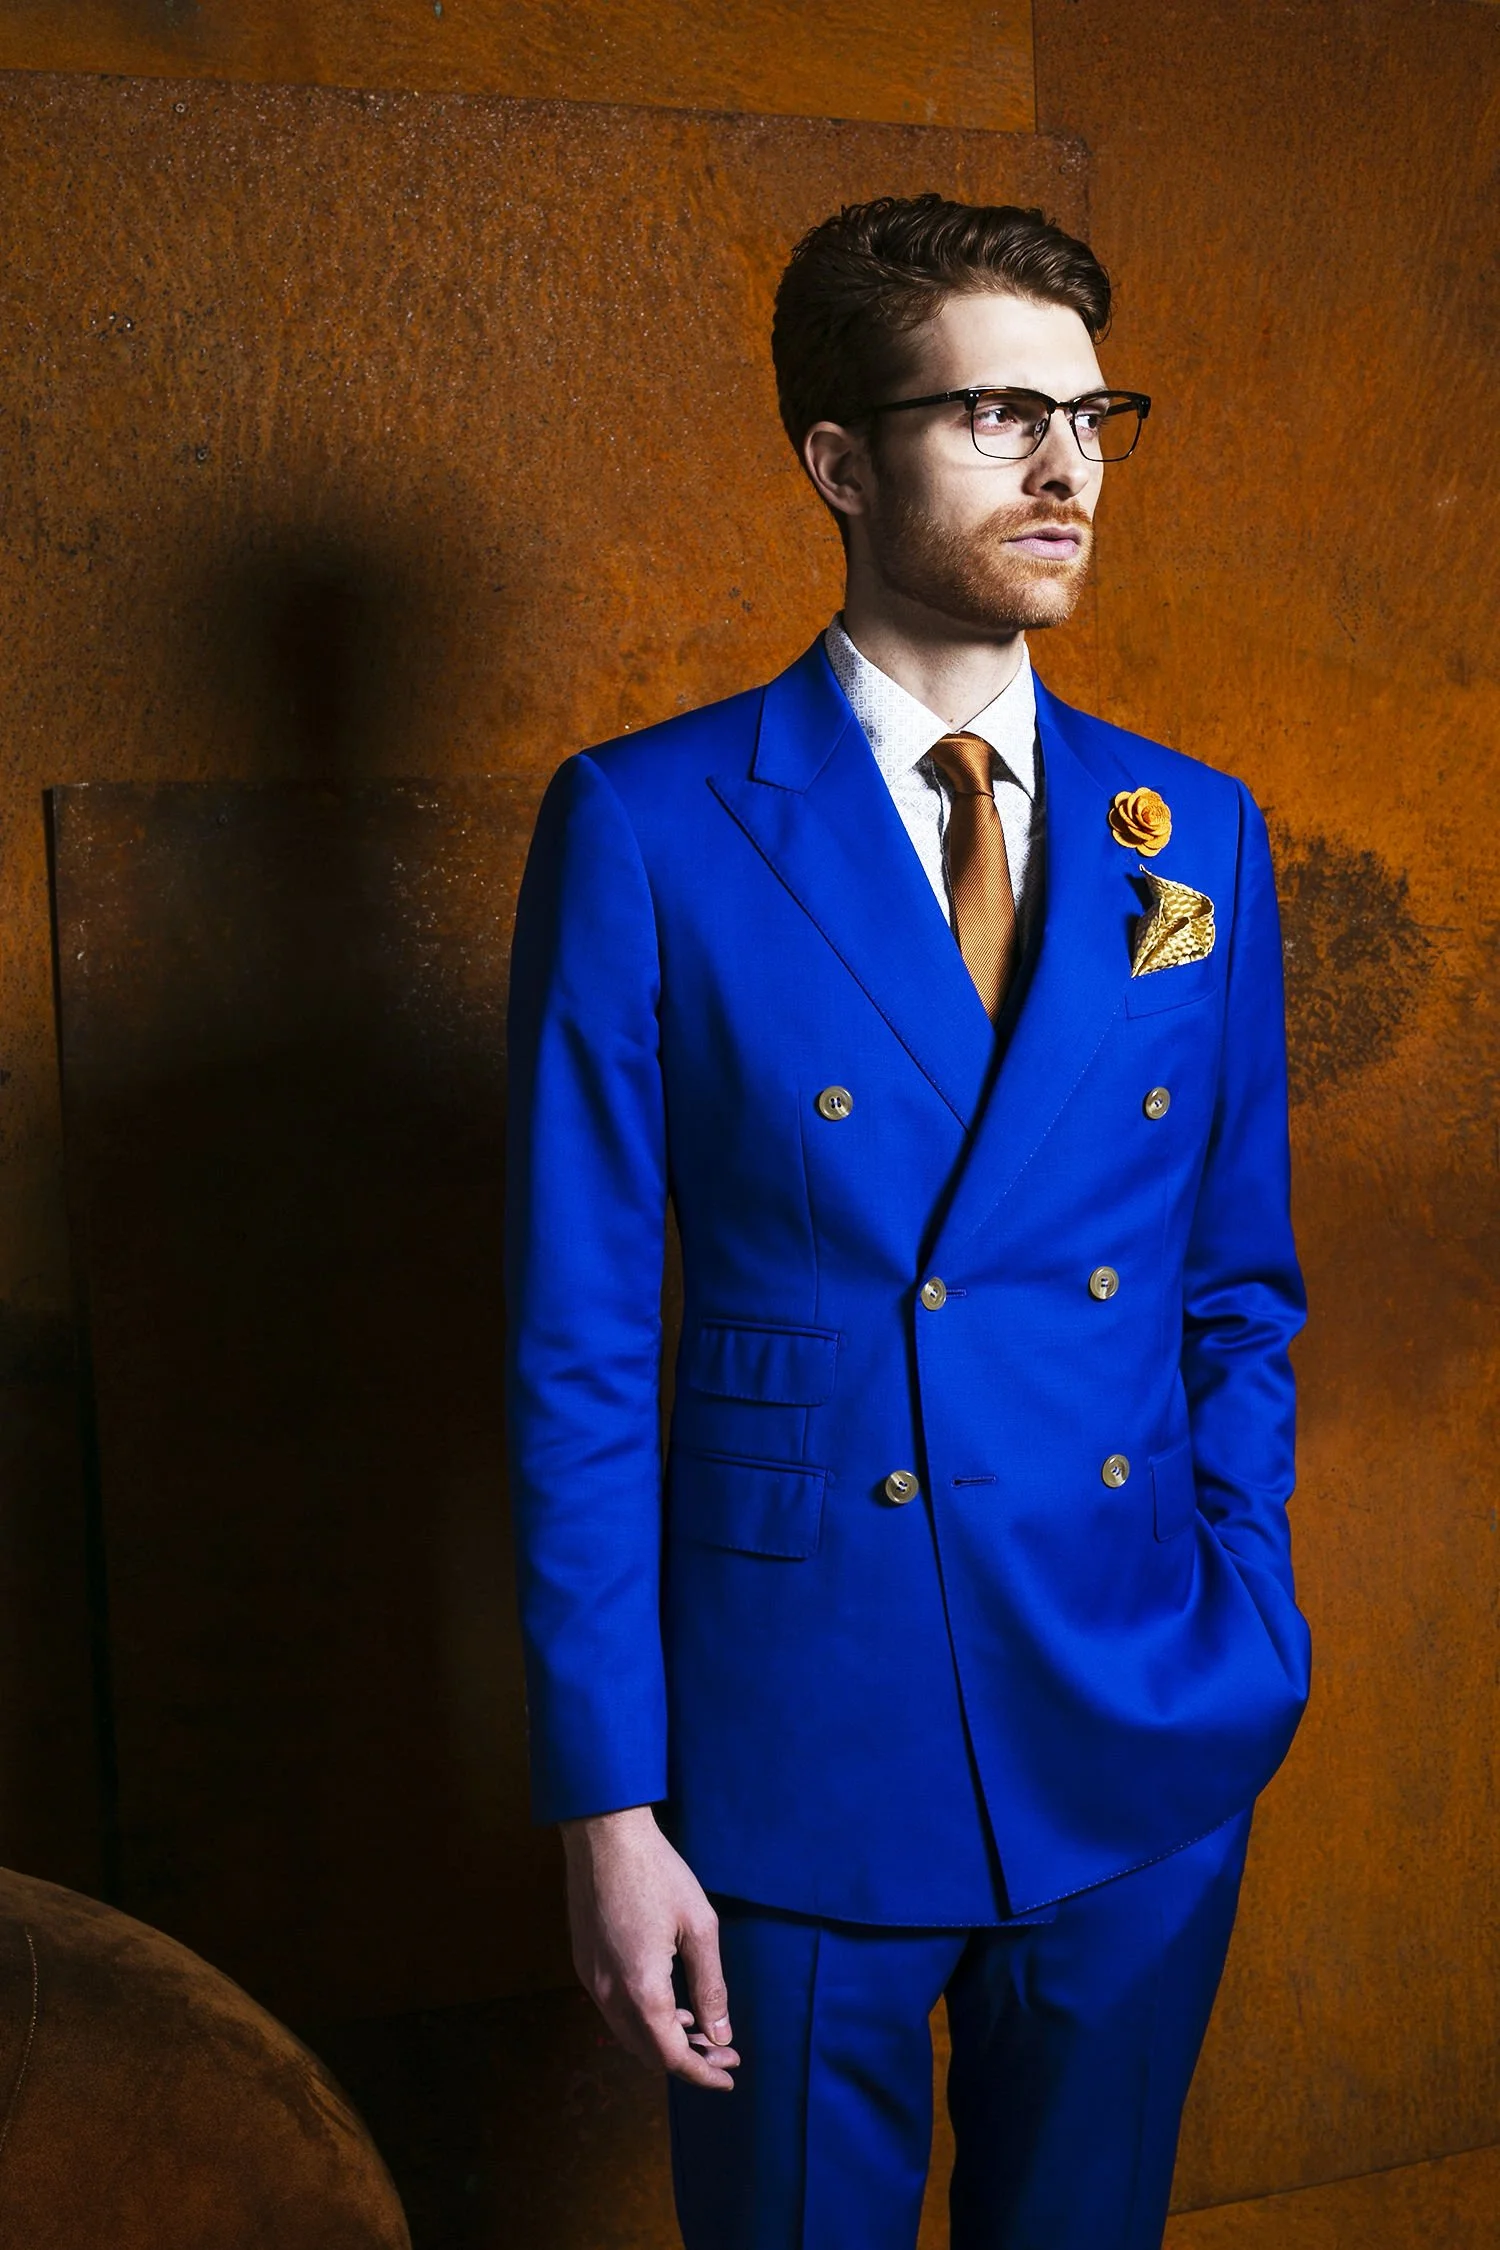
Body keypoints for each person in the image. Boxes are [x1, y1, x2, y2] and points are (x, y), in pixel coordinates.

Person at [503, 194, 1310, 2250]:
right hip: (788, 1742)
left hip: (1139, 1723)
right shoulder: (650, 821)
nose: (1066, 471)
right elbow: (581, 1345)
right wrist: (612, 1800)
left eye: (1092, 413)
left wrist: (1248, 1626)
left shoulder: (1187, 828)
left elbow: (1237, 1286)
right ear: (840, 464)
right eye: (993, 415)